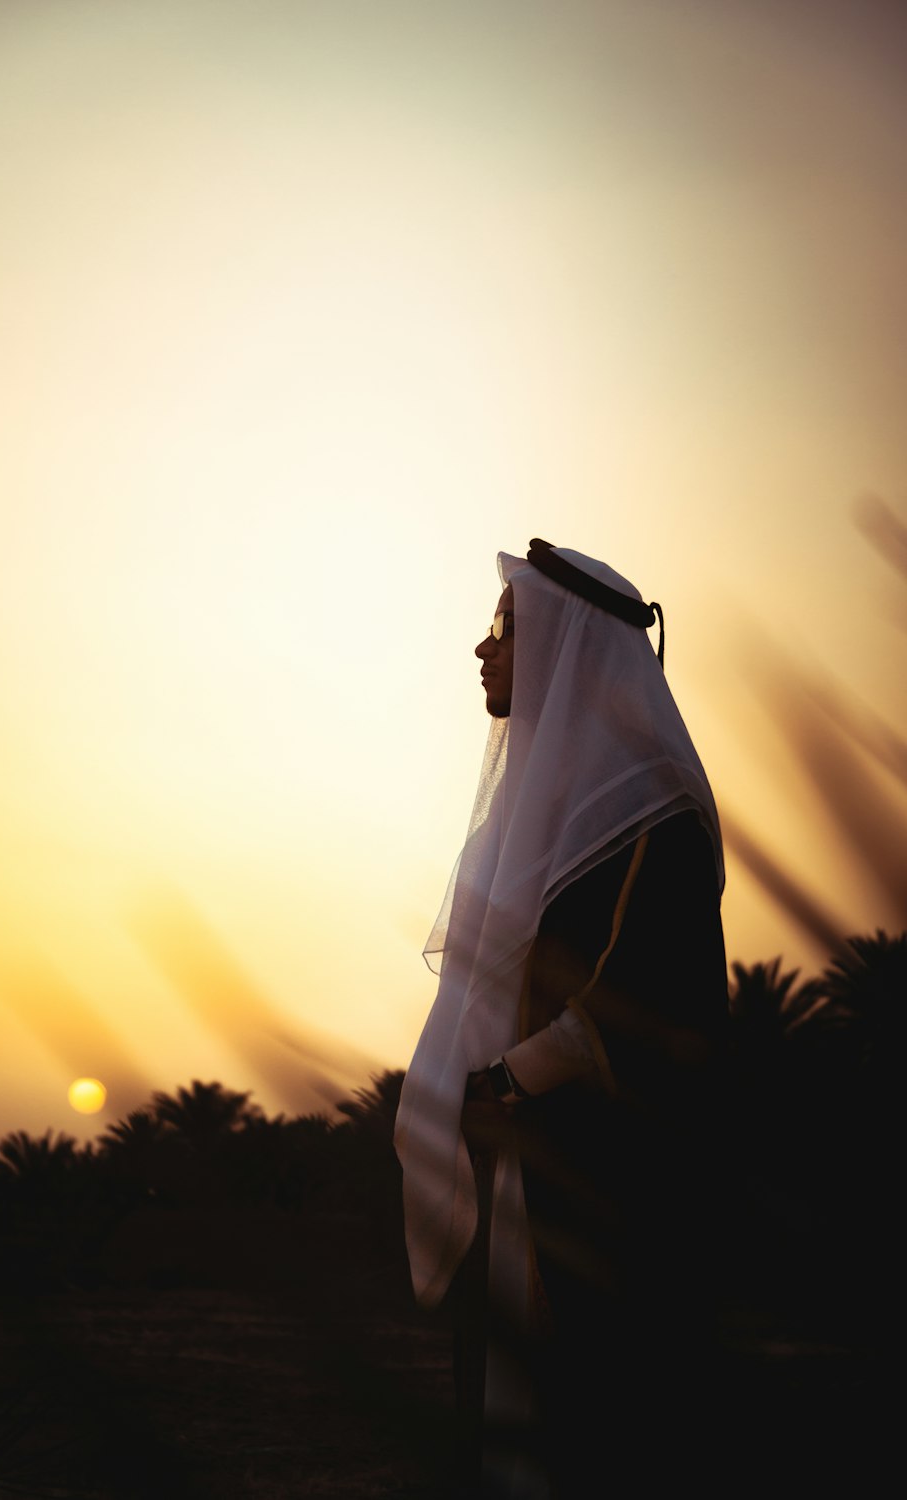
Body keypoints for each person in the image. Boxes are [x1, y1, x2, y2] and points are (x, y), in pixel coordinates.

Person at [394, 540, 728, 1496]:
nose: (482, 650)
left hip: (604, 1181)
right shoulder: (544, 814)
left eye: (504, 629)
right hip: (523, 1167)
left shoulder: (652, 814)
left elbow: (651, 1001)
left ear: (566, 648)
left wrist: (508, 1079)